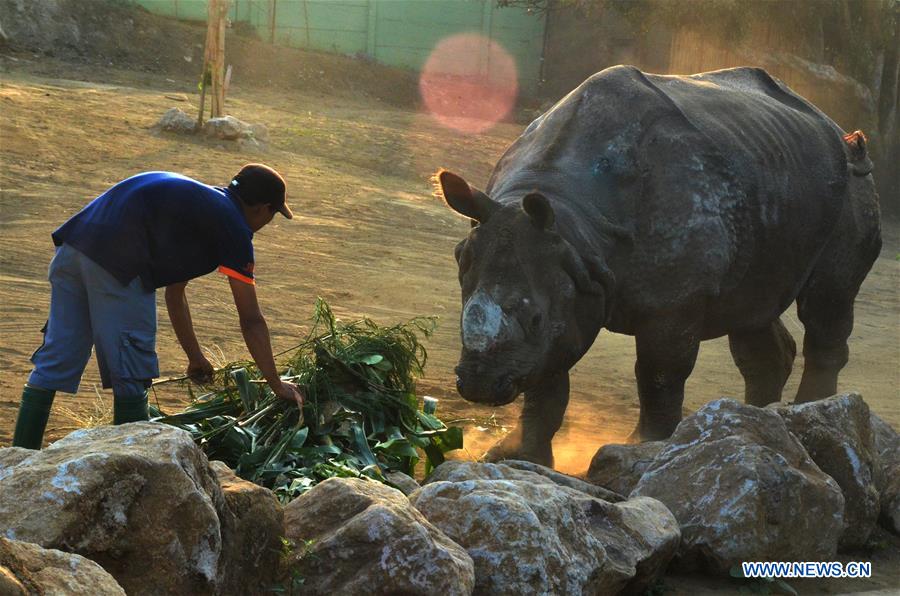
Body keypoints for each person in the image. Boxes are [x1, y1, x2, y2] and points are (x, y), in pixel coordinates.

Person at [12, 164, 305, 449]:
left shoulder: (203, 206)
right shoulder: (234, 228)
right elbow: (251, 319)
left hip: (72, 248)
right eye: (273, 215)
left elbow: (175, 293)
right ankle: (130, 468)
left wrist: (195, 356)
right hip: (119, 265)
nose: (269, 223)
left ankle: (20, 458)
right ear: (262, 208)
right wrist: (276, 384)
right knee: (131, 368)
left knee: (57, 356)